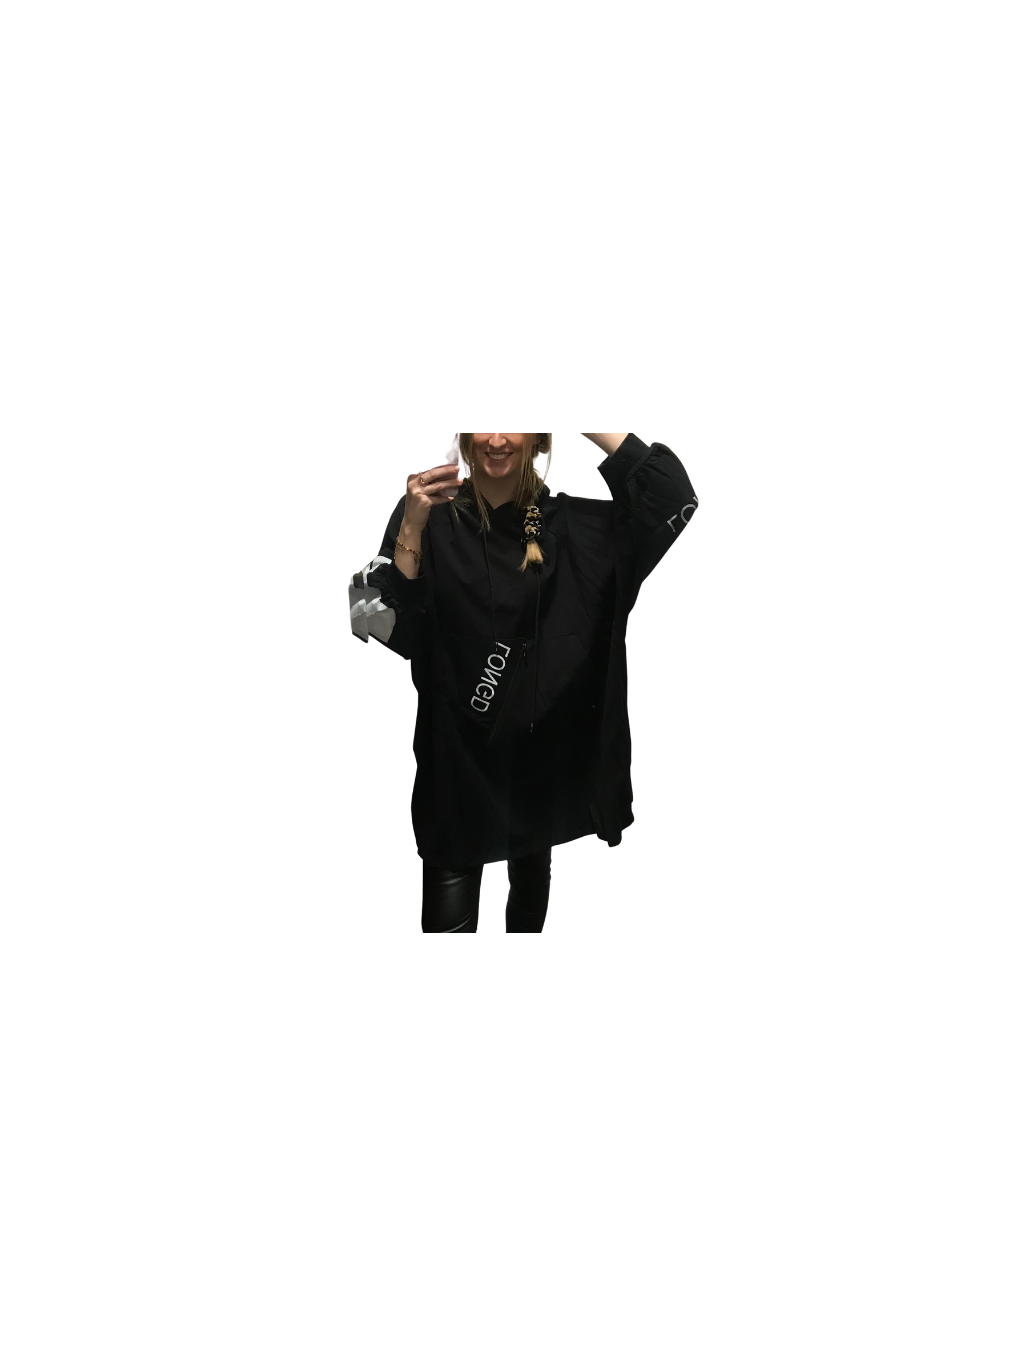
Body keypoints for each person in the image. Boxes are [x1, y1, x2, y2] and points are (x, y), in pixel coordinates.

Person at [349, 433, 698, 933]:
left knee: (530, 890)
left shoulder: (572, 530)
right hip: (456, 767)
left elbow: (671, 496)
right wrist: (411, 526)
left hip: (538, 767)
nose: (496, 439)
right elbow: (373, 620)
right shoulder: (429, 515)